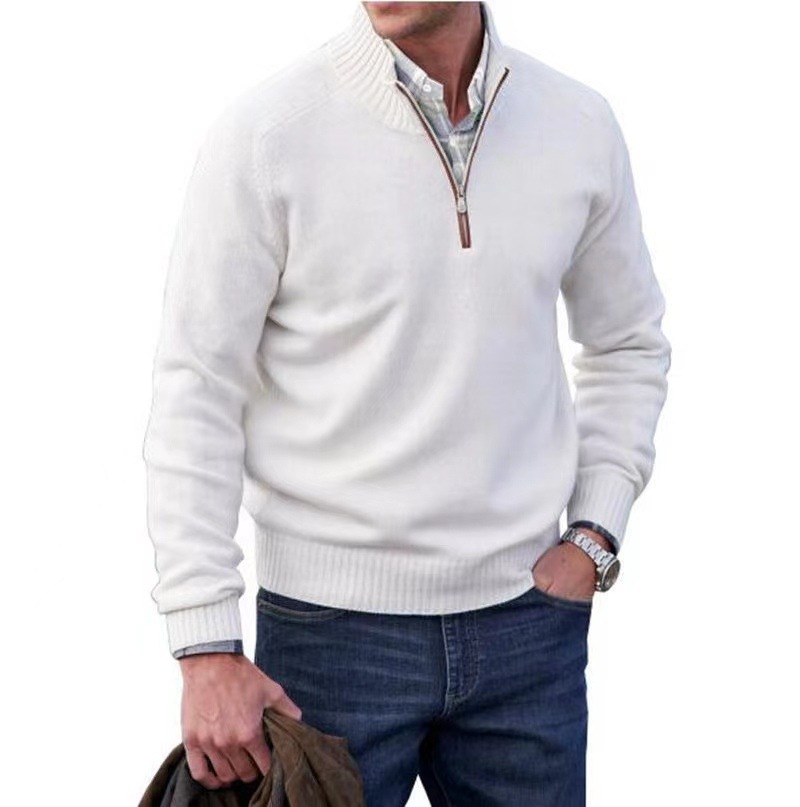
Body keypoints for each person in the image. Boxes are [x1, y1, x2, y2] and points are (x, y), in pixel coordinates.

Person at [141, 2, 671, 804]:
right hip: (326, 644)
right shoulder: (269, 134)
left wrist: (595, 533)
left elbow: (627, 342)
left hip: (529, 631)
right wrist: (204, 642)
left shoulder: (577, 125)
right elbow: (196, 386)